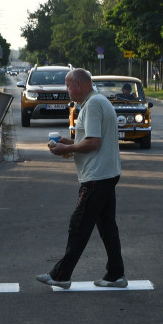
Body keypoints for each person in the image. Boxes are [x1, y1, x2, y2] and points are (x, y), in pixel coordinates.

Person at [38, 68, 127, 288]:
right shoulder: (96, 102)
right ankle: (116, 274)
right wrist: (67, 143)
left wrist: (65, 149)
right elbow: (89, 138)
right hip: (106, 173)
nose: (66, 90)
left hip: (96, 176)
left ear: (78, 84)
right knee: (106, 226)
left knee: (79, 224)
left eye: (68, 86)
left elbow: (93, 142)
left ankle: (61, 275)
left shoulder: (93, 105)